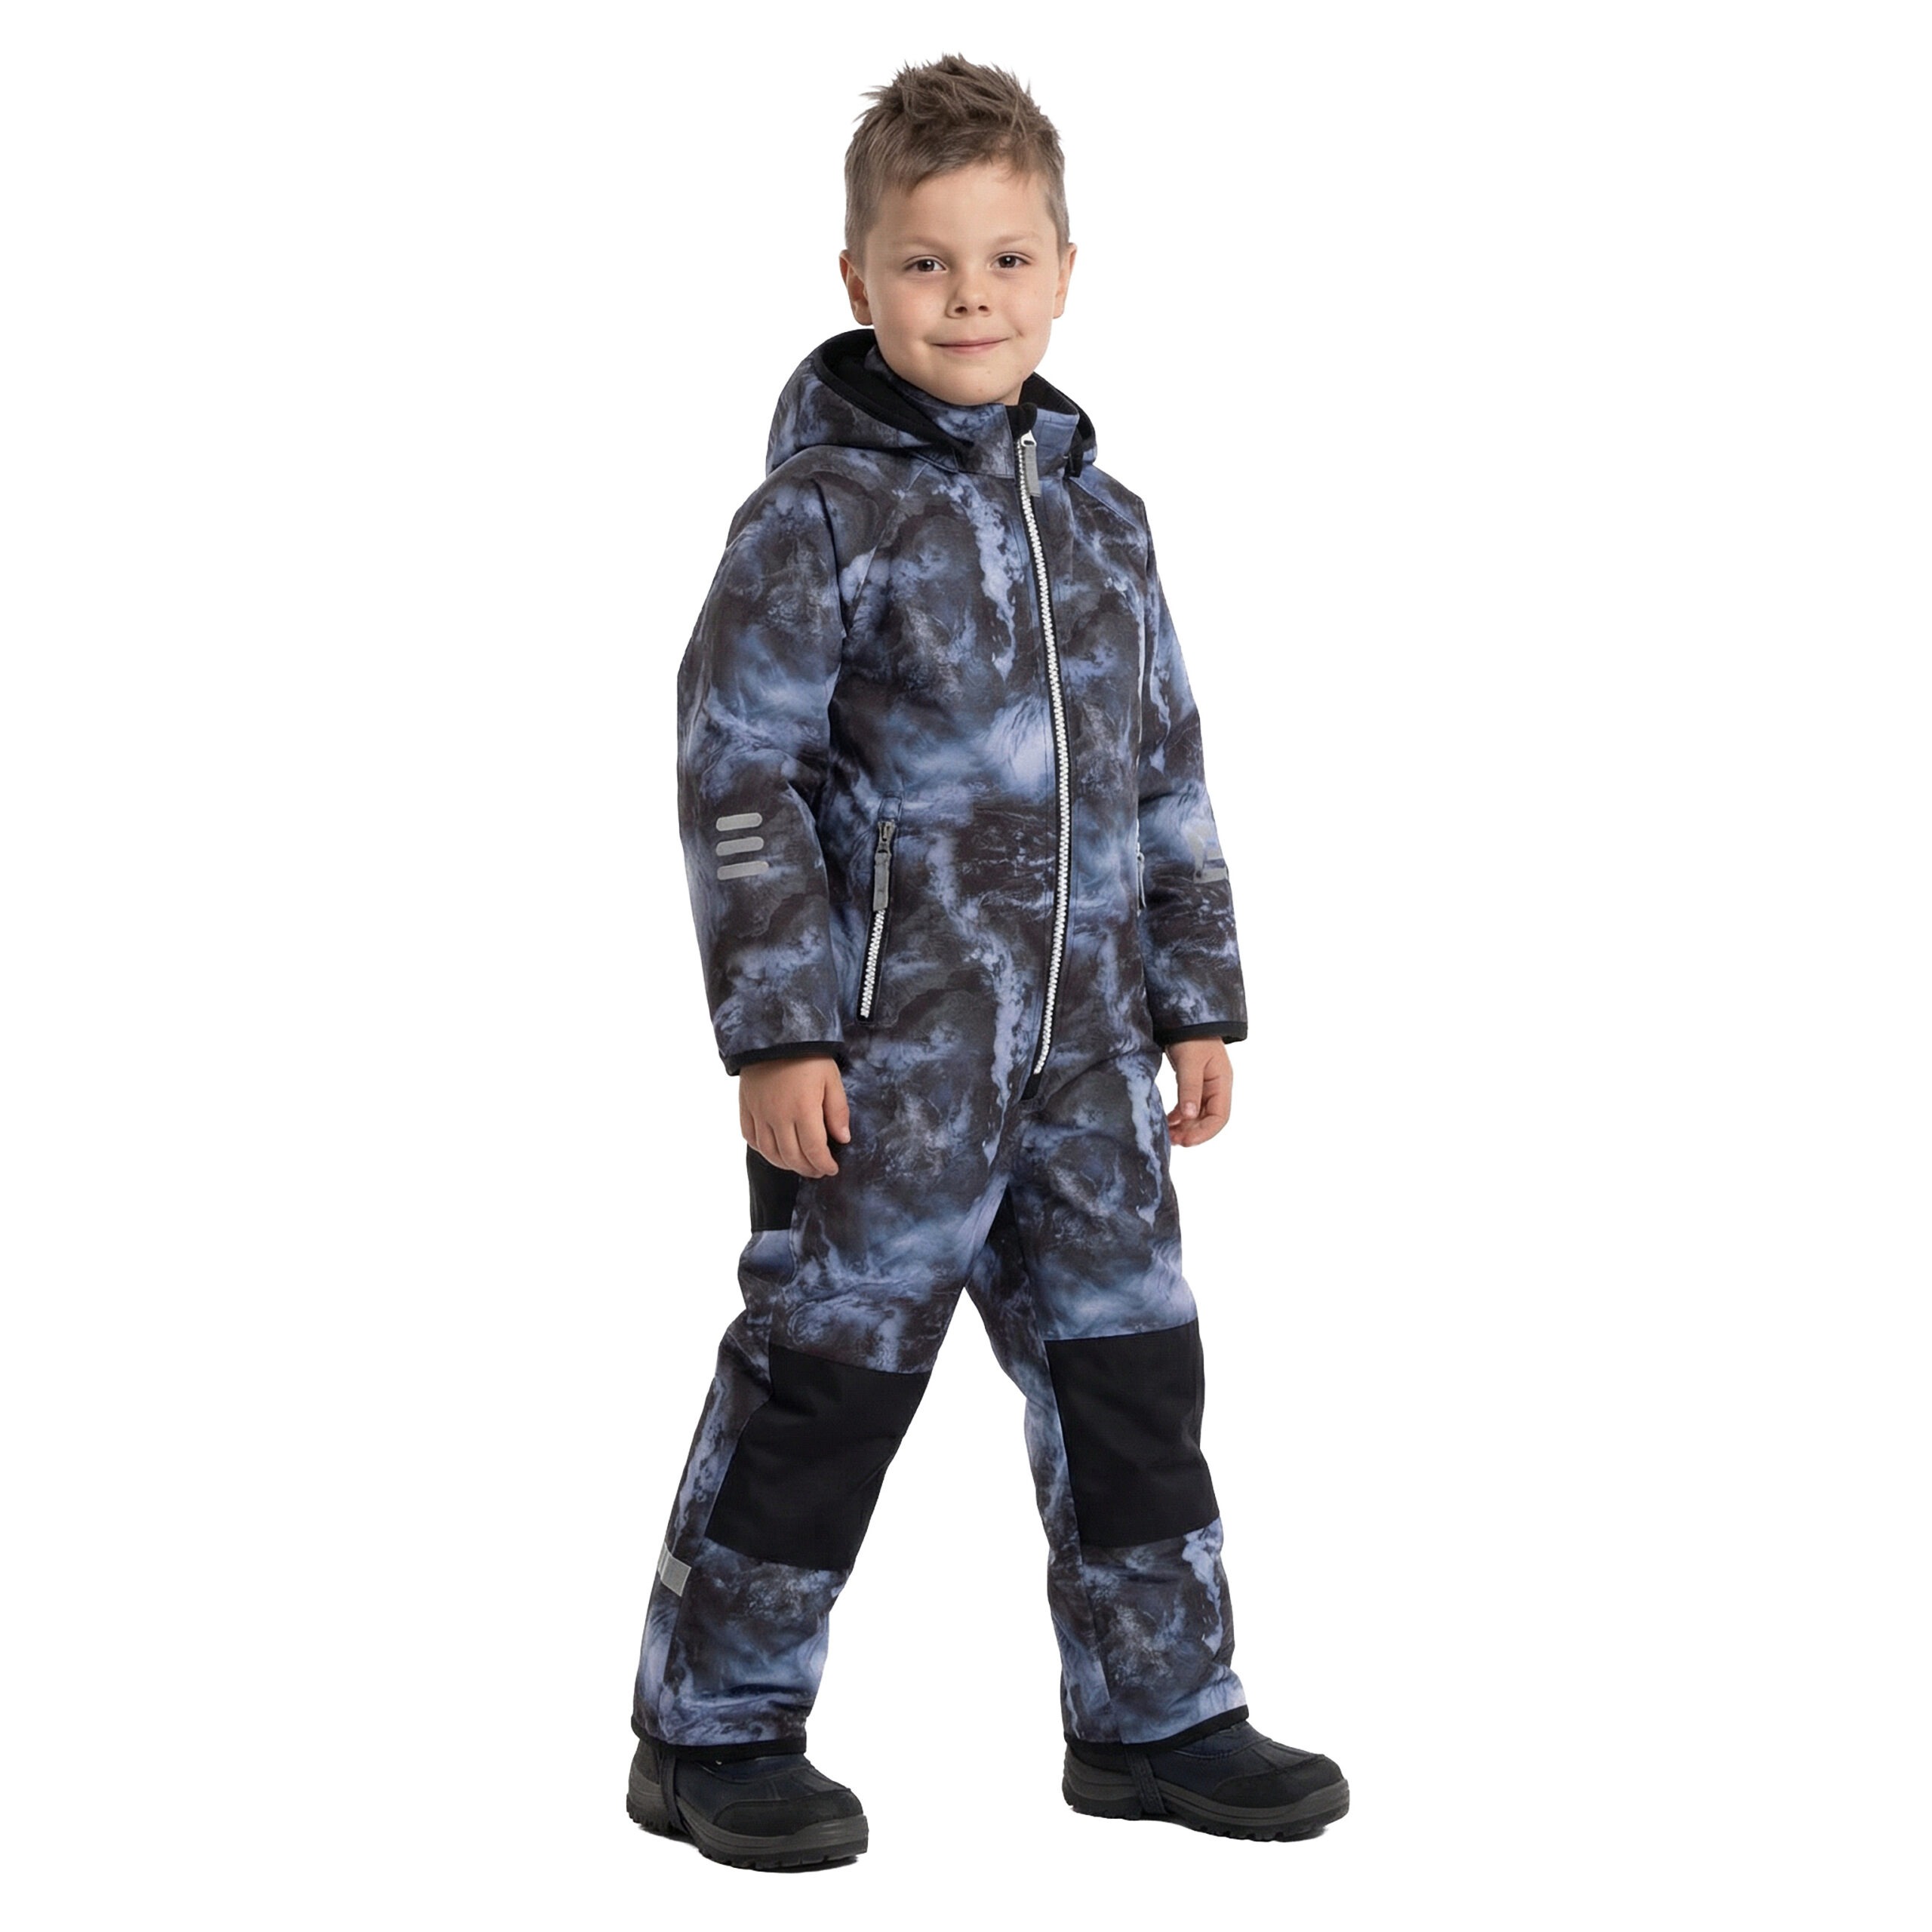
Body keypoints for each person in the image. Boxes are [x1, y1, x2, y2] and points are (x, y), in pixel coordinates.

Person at [626, 54, 1348, 1869]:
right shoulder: (816, 520)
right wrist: (780, 1029)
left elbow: (1163, 767)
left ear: (1065, 271)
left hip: (1088, 1059)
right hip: (888, 1063)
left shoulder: (1106, 522)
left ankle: (1156, 1711)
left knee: (1130, 1377)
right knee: (824, 1387)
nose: (970, 299)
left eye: (1007, 259)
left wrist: (1193, 995)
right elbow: (737, 776)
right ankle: (711, 1728)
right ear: (857, 277)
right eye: (927, 263)